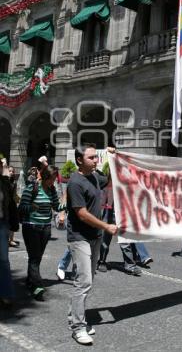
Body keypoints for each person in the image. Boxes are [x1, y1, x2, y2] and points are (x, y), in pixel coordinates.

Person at [67, 144, 118, 345]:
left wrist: (112, 161)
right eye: (91, 158)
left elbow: (109, 182)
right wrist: (106, 226)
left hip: (95, 237)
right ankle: (78, 327)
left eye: (96, 157)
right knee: (84, 281)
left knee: (87, 281)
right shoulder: (75, 182)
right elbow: (81, 213)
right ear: (80, 160)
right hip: (79, 237)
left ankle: (75, 317)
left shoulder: (95, 176)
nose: (96, 160)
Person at [19, 165, 65, 301]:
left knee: (37, 257)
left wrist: (68, 205)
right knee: (34, 257)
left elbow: (56, 207)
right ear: (44, 177)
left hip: (45, 228)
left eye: (54, 179)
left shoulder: (51, 191)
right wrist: (31, 207)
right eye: (51, 179)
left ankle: (29, 281)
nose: (52, 182)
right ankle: (37, 286)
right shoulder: (32, 188)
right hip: (31, 227)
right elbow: (22, 207)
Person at [0, 158, 19, 307]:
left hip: (2, 224)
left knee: (4, 260)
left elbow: (12, 198)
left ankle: (6, 293)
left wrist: (6, 170)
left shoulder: (4, 183)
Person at [8, 166, 20, 248]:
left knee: (13, 222)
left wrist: (18, 199)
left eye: (12, 171)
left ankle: (11, 240)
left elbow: (15, 194)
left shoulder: (14, 182)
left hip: (12, 204)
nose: (11, 172)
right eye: (10, 171)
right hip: (4, 204)